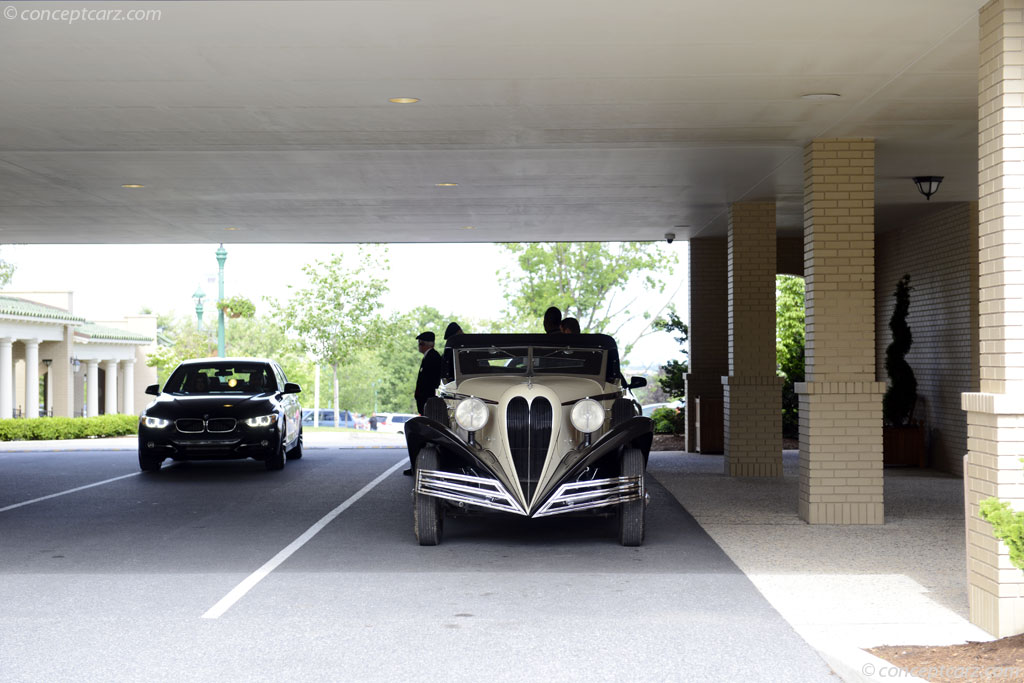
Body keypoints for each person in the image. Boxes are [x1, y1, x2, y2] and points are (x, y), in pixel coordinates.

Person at [414, 331, 443, 415]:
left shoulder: (433, 357)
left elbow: (430, 381)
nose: (419, 346)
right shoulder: (429, 357)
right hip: (425, 400)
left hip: (428, 400)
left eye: (420, 343)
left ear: (424, 344)